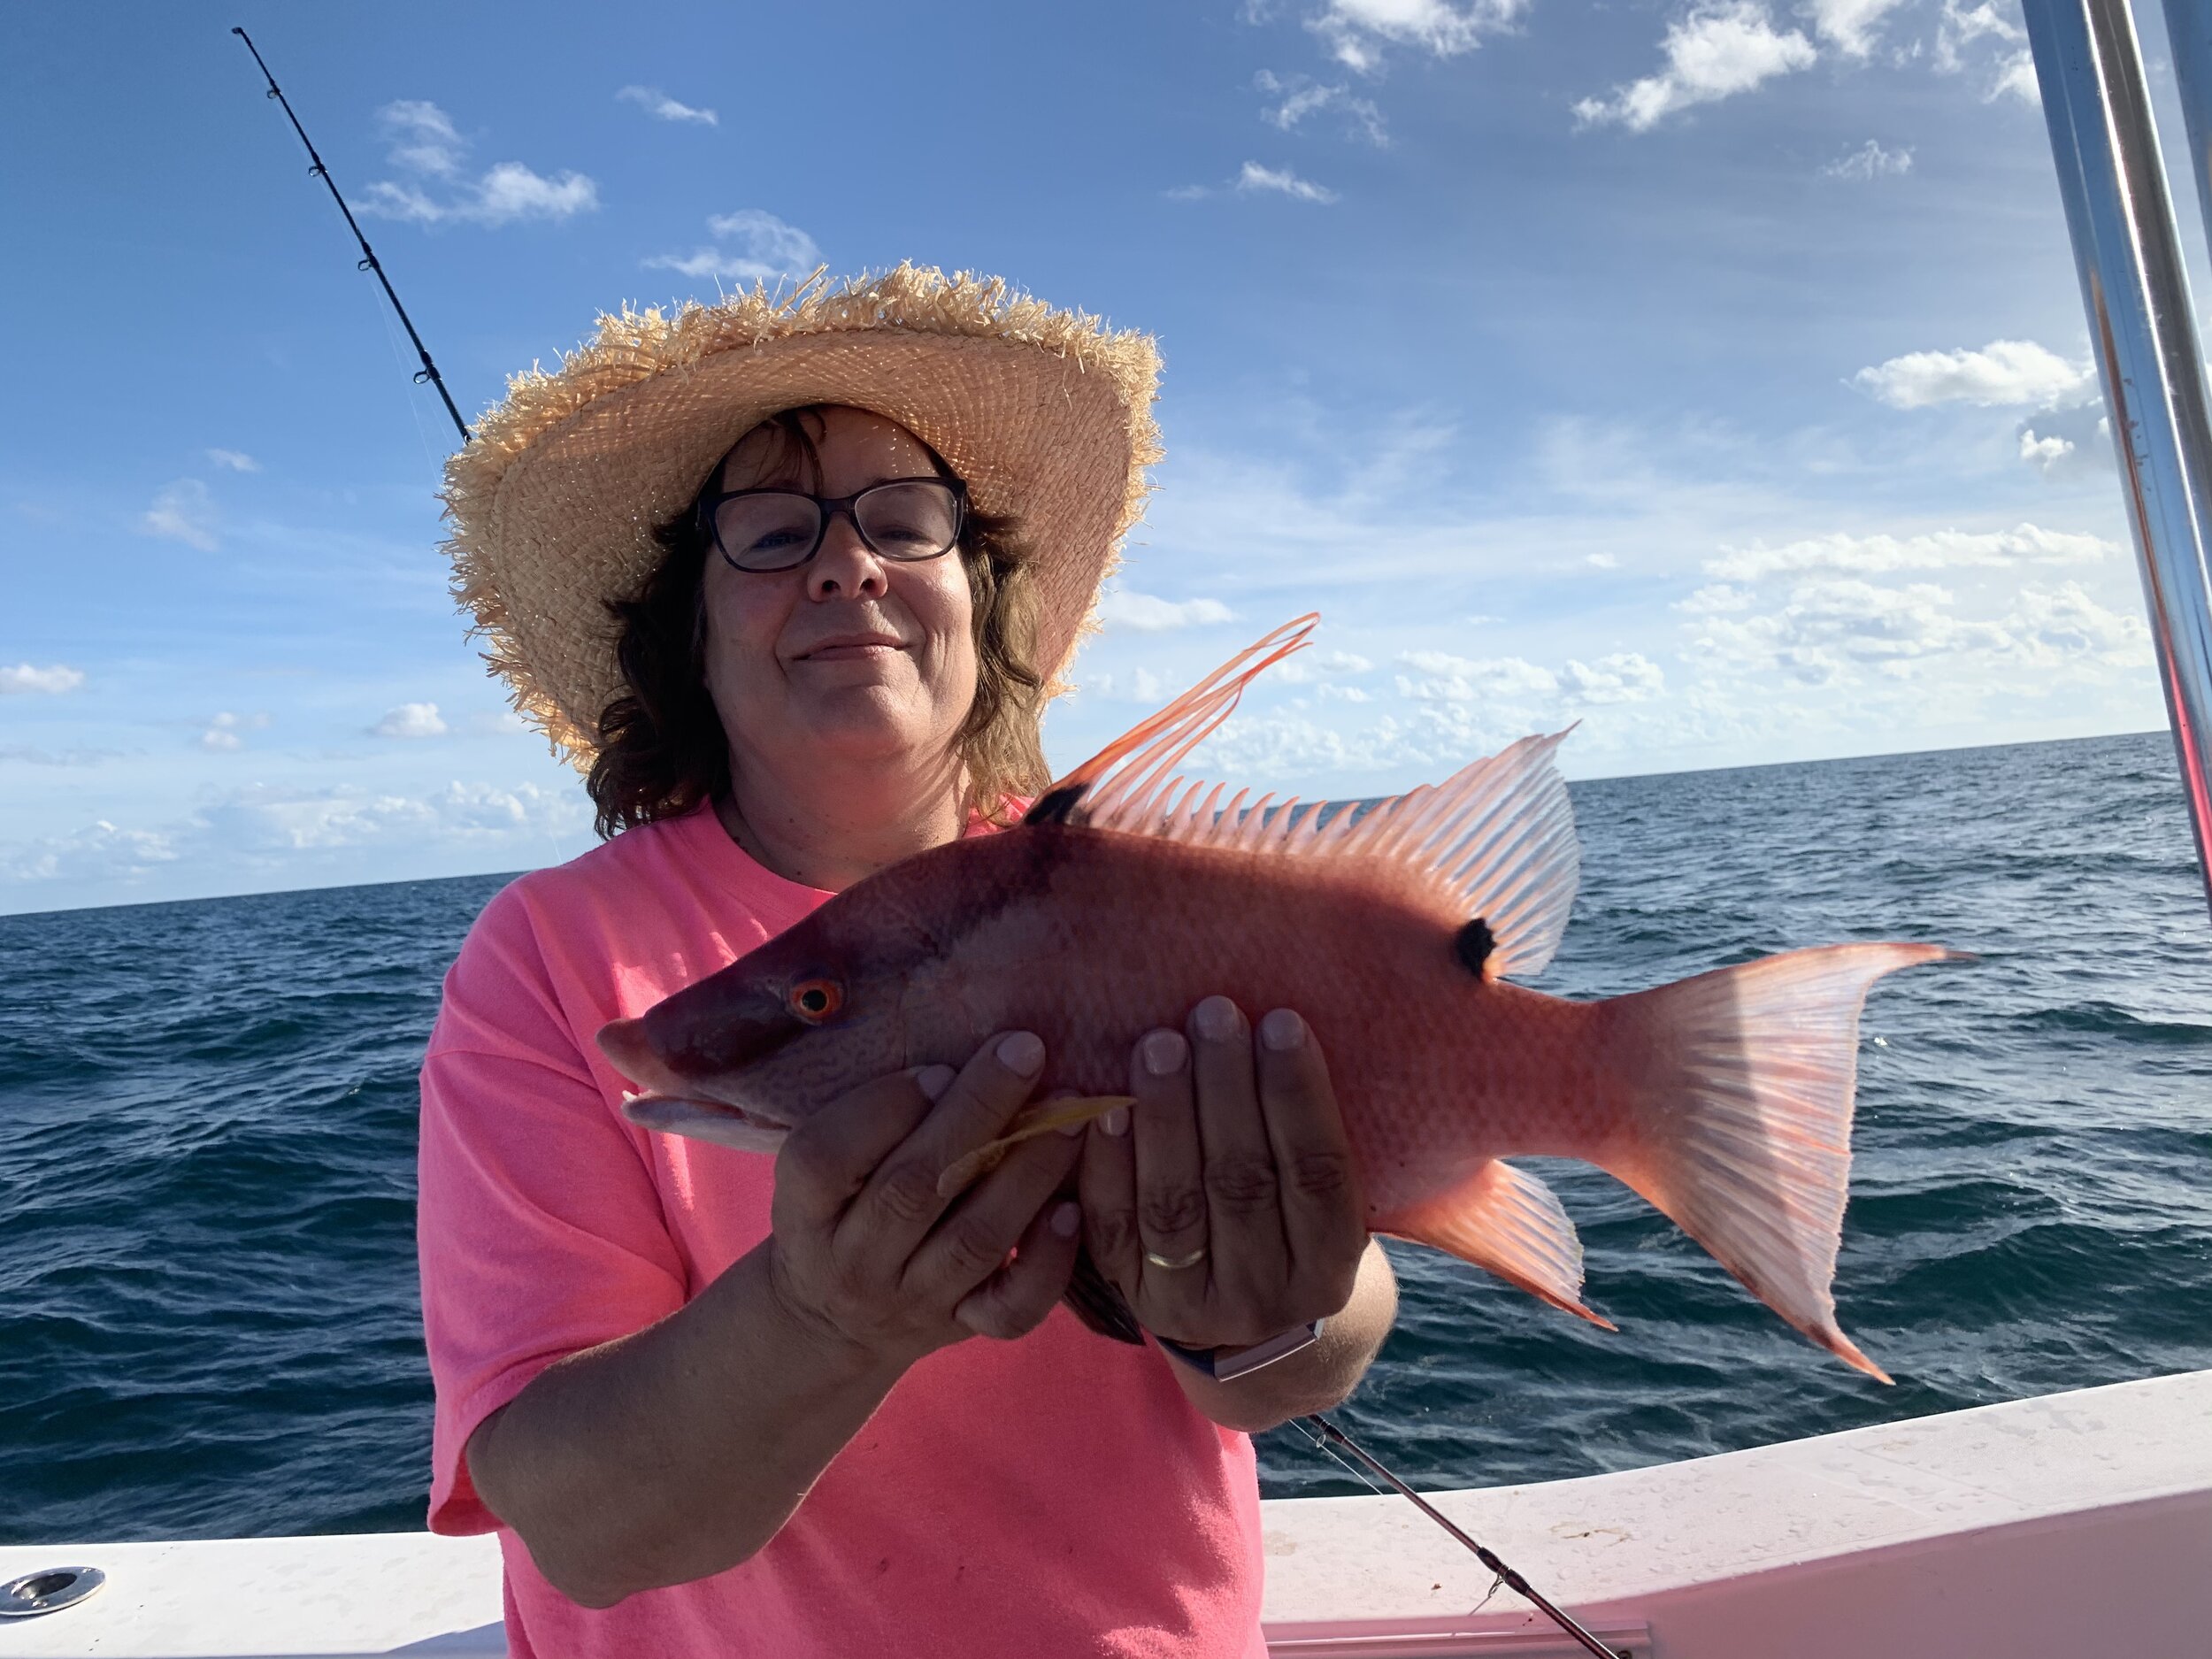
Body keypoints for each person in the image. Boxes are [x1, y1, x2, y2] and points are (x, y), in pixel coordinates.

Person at [417, 266, 1400, 1659]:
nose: (846, 563)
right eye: (767, 534)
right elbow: (580, 1531)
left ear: (981, 598)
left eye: (904, 520)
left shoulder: (1143, 893)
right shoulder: (550, 961)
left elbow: (1309, 1353)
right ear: (684, 632)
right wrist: (819, 1319)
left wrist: (1271, 1318)